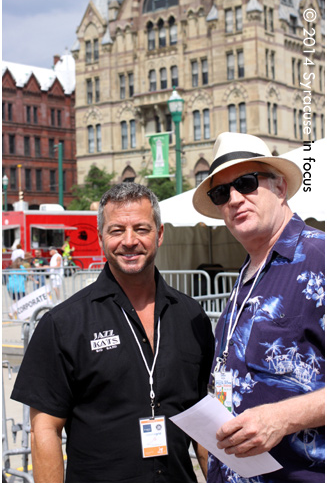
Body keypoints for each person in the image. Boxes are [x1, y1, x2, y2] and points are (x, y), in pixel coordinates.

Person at [11, 183, 215, 483]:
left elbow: (203, 418)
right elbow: (45, 430)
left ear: (159, 234)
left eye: (141, 229)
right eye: (117, 230)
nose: (129, 241)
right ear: (101, 238)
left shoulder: (191, 316)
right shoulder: (63, 324)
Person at [192, 132, 325, 483]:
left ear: (280, 188)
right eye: (222, 193)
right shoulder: (247, 273)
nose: (234, 199)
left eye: (246, 183)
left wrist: (281, 419)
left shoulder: (319, 257)